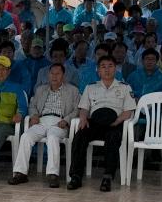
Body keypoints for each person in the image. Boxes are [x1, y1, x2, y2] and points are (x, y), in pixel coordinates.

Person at [68, 56, 136, 192]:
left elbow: (128, 111)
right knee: (79, 136)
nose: (107, 69)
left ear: (115, 69)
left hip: (114, 122)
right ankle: (76, 176)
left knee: (113, 138)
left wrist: (116, 122)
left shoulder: (124, 87)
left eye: (110, 66)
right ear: (98, 71)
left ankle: (107, 176)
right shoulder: (90, 87)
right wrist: (82, 119)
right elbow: (84, 108)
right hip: (95, 121)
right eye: (103, 66)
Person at [10, 61, 77, 187]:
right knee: (26, 136)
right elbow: (32, 105)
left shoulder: (72, 90)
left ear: (64, 76)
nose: (54, 76)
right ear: (48, 75)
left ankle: (53, 175)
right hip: (42, 121)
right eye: (52, 73)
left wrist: (67, 120)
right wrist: (34, 115)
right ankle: (20, 173)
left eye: (58, 74)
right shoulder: (41, 89)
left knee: (52, 138)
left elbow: (77, 109)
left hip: (59, 122)